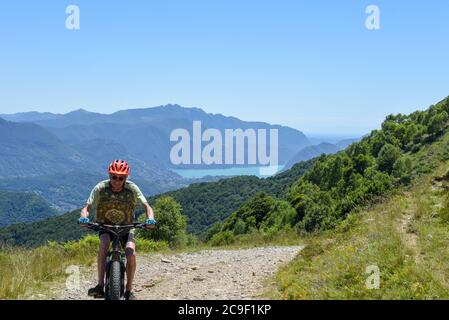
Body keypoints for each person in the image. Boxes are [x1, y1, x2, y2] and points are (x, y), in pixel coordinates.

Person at [78, 159, 156, 300]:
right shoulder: (100, 188)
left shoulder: (132, 189)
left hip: (127, 227)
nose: (117, 181)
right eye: (114, 177)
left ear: (125, 178)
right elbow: (86, 207)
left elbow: (147, 206)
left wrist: (150, 219)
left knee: (131, 252)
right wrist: (84, 217)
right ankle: (100, 286)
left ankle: (128, 290)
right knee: (104, 243)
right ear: (109, 175)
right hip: (105, 226)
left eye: (121, 178)